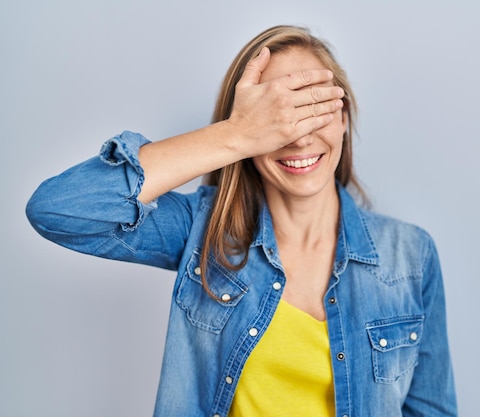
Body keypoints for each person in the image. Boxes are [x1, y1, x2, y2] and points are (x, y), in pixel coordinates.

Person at [26, 25, 457, 417]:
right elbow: (56, 209)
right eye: (278, 116)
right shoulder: (203, 231)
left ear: (343, 119)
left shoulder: (411, 254)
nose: (300, 135)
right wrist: (236, 135)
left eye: (314, 109)